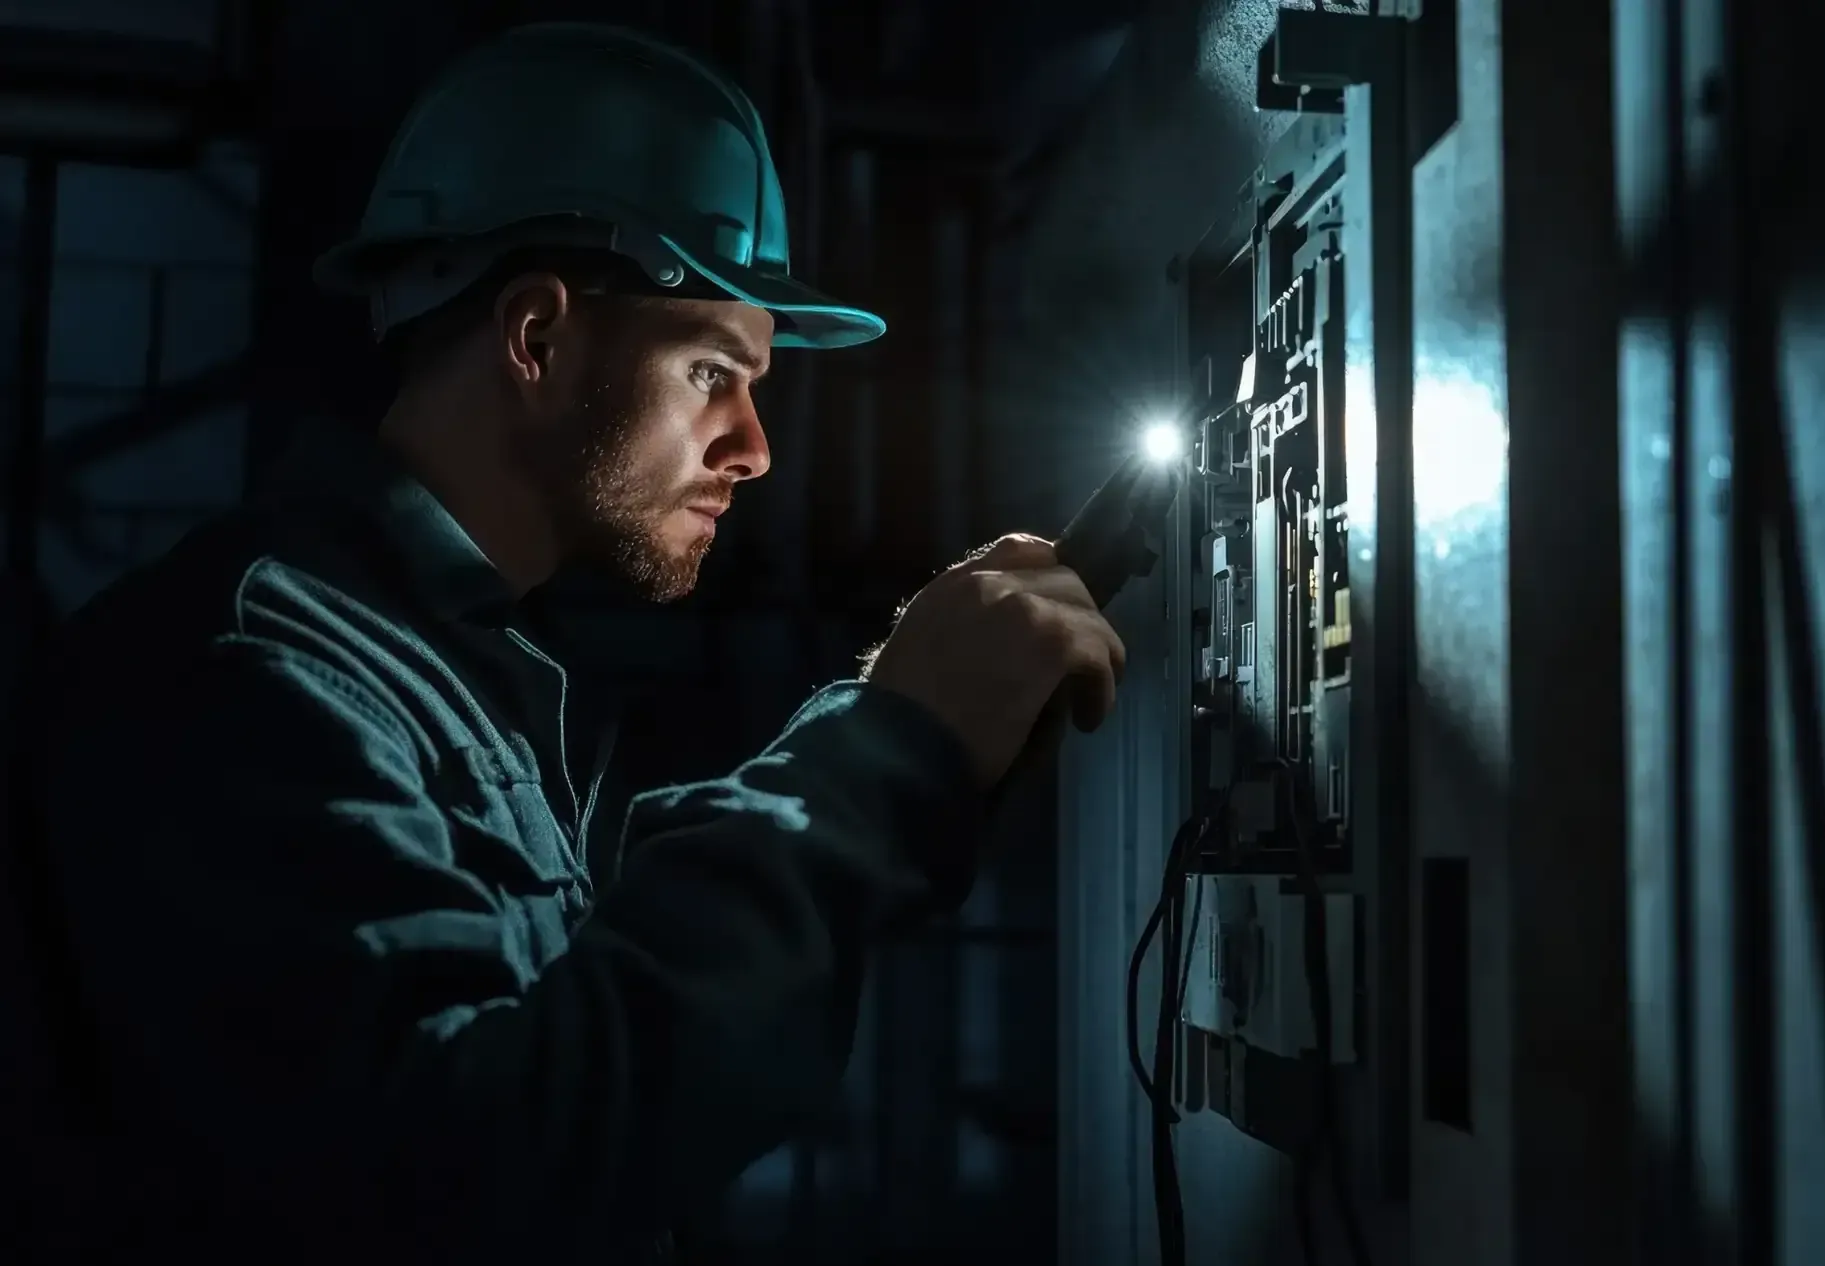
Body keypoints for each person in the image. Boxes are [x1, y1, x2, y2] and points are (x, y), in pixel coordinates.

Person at [13, 22, 1124, 1264]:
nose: (753, 446)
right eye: (713, 369)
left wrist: (894, 736)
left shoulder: (441, 680)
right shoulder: (248, 680)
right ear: (537, 339)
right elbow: (482, 1160)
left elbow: (578, 985)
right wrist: (881, 764)